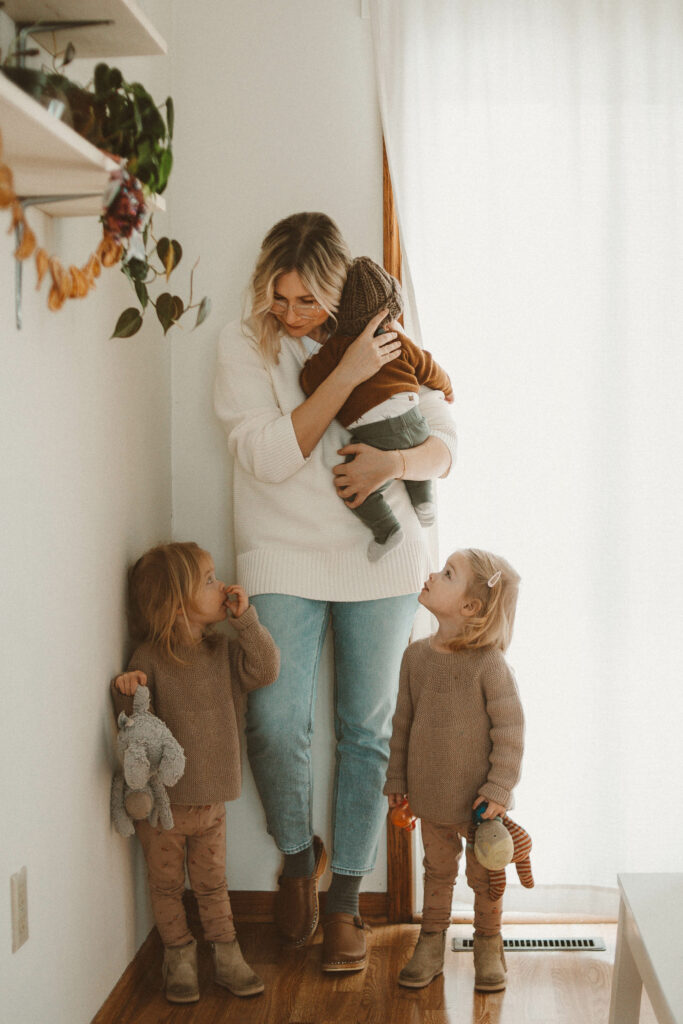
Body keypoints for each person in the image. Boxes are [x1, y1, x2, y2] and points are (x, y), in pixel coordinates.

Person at [213, 212, 457, 973]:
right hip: (281, 552)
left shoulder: (385, 333)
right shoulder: (242, 344)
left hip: (379, 558)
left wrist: (394, 466)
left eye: (306, 301)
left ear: (337, 289)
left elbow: (444, 445)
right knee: (276, 721)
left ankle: (346, 900)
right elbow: (267, 456)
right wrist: (345, 373)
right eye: (279, 298)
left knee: (367, 729)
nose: (291, 315)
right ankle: (297, 859)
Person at [111, 542, 280, 1004]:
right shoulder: (149, 657)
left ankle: (227, 954)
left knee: (212, 883)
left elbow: (265, 669)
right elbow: (137, 729)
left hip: (211, 800)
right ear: (175, 602)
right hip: (163, 807)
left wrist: (247, 621)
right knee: (166, 886)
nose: (221, 584)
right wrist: (126, 692)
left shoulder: (221, 651)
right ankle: (178, 956)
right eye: (207, 580)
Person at [384, 548, 525, 992]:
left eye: (447, 573)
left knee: (485, 877)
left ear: (469, 607)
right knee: (438, 872)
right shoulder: (416, 658)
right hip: (432, 797)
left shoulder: (489, 665)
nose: (432, 574)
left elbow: (511, 730)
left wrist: (500, 787)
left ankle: (488, 943)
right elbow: (402, 723)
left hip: (482, 804)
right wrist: (396, 779)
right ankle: (430, 943)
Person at [299, 256, 454, 561]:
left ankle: (386, 531)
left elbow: (309, 381)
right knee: (416, 440)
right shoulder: (398, 337)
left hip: (374, 433)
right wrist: (447, 388)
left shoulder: (338, 347)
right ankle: (424, 500)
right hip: (414, 420)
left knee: (351, 483)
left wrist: (312, 364)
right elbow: (428, 367)